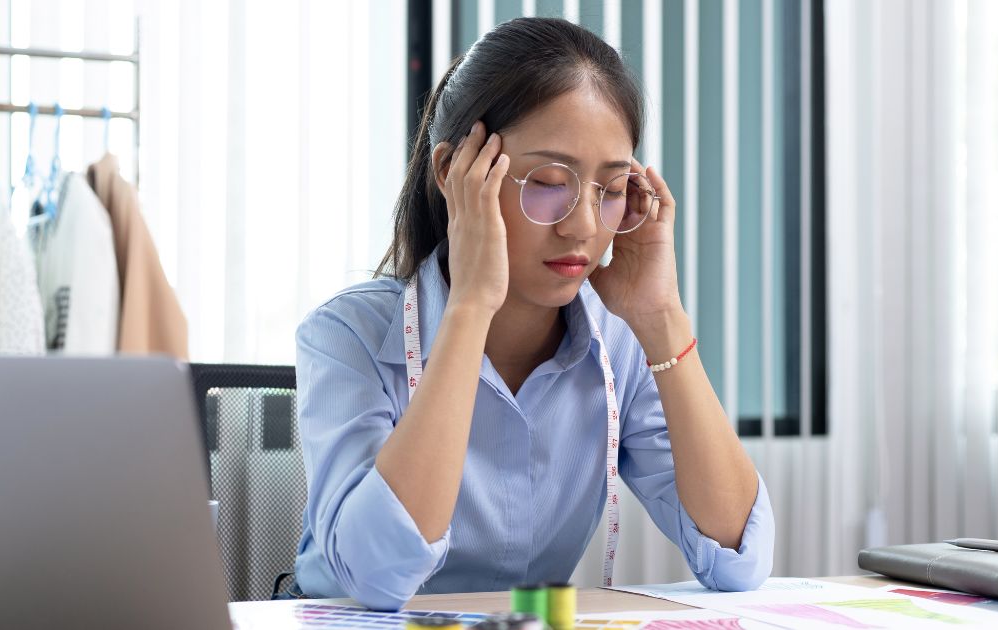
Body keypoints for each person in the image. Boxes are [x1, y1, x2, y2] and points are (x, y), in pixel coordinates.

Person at [292, 17, 774, 611]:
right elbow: (375, 577)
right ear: (454, 173)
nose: (583, 224)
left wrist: (661, 317)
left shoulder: (617, 345)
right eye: (548, 182)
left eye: (612, 187)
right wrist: (470, 306)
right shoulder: (348, 336)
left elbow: (738, 557)